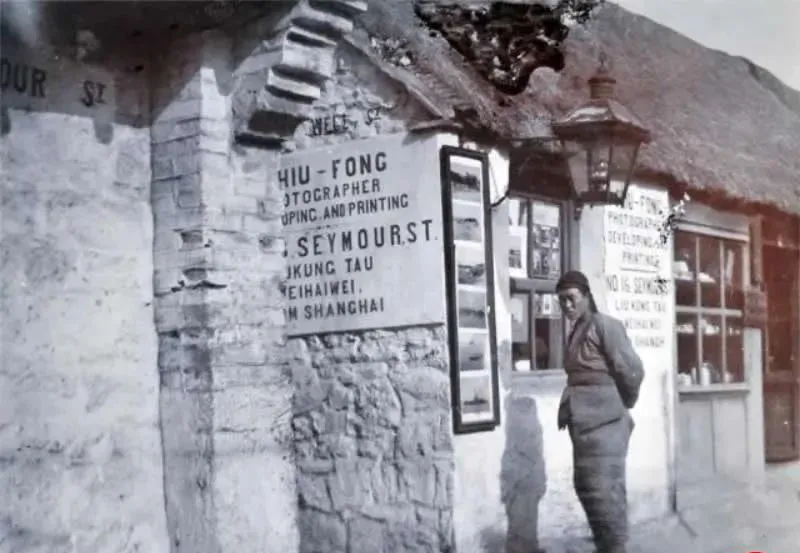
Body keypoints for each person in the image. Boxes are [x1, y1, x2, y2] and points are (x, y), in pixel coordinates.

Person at [555, 270, 644, 553]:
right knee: (587, 488)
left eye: (571, 298)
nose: (567, 305)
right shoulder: (576, 331)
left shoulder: (605, 326)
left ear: (586, 297)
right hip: (583, 427)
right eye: (561, 300)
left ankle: (615, 548)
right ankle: (605, 546)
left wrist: (621, 405)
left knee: (605, 493)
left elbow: (632, 371)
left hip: (606, 426)